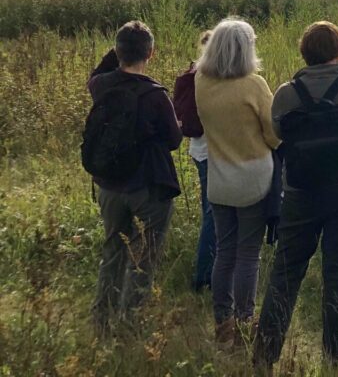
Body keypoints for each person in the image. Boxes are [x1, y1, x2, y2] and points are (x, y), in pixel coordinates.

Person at [254, 21, 338, 371]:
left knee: (285, 274)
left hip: (299, 190)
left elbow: (278, 132)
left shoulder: (286, 93)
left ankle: (264, 356)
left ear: (304, 52)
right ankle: (333, 357)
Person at [88, 20, 182, 334]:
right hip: (148, 188)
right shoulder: (155, 95)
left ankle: (102, 319)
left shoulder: (101, 86)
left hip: (110, 184)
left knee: (112, 250)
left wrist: (118, 49)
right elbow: (173, 140)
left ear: (116, 51)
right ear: (151, 54)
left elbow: (97, 73)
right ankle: (130, 325)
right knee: (143, 258)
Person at [194, 18, 280, 344]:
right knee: (248, 255)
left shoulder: (201, 81)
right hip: (253, 178)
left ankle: (222, 322)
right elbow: (273, 135)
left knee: (225, 252)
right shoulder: (253, 85)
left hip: (219, 177)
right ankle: (245, 321)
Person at [173, 30, 216, 292]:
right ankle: (204, 277)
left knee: (210, 211)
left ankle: (209, 272)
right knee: (214, 214)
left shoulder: (193, 71)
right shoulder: (211, 76)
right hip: (212, 151)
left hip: (200, 150)